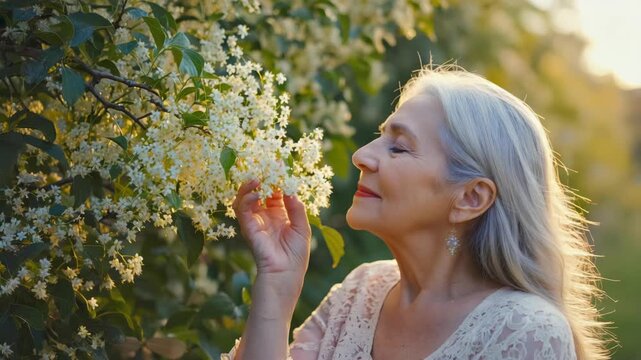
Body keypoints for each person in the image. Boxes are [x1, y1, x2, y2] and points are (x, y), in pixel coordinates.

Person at [222, 67, 608, 359]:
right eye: (381, 136)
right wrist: (277, 283)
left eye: (399, 148)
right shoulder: (360, 292)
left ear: (470, 198)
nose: (361, 156)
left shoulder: (525, 332)